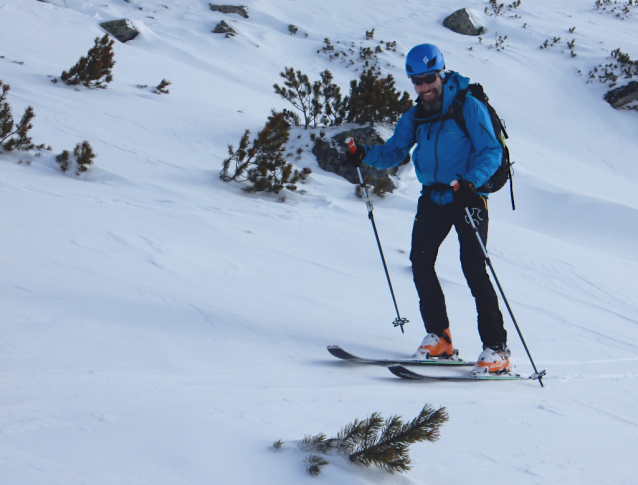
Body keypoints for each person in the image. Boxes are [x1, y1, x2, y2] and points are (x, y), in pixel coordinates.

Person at [345, 44, 510, 374]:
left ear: (441, 73)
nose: (424, 86)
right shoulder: (415, 115)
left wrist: (470, 183)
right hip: (433, 197)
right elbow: (395, 152)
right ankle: (440, 337)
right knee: (420, 261)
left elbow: (491, 152)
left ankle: (497, 350)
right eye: (417, 80)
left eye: (429, 78)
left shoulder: (468, 107)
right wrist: (364, 154)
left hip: (467, 196)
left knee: (474, 268)